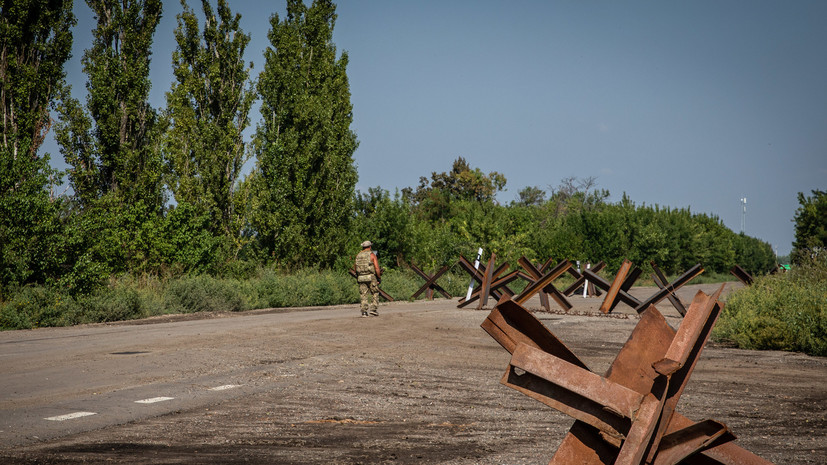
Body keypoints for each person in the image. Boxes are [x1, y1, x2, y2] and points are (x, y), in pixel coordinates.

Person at [355, 240, 381, 317]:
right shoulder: (372, 255)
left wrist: (358, 276)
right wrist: (378, 277)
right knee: (375, 292)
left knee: (363, 294)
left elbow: (355, 267)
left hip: (361, 277)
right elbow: (376, 268)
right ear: (370, 247)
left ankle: (364, 312)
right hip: (371, 277)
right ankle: (373, 309)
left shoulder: (358, 255)